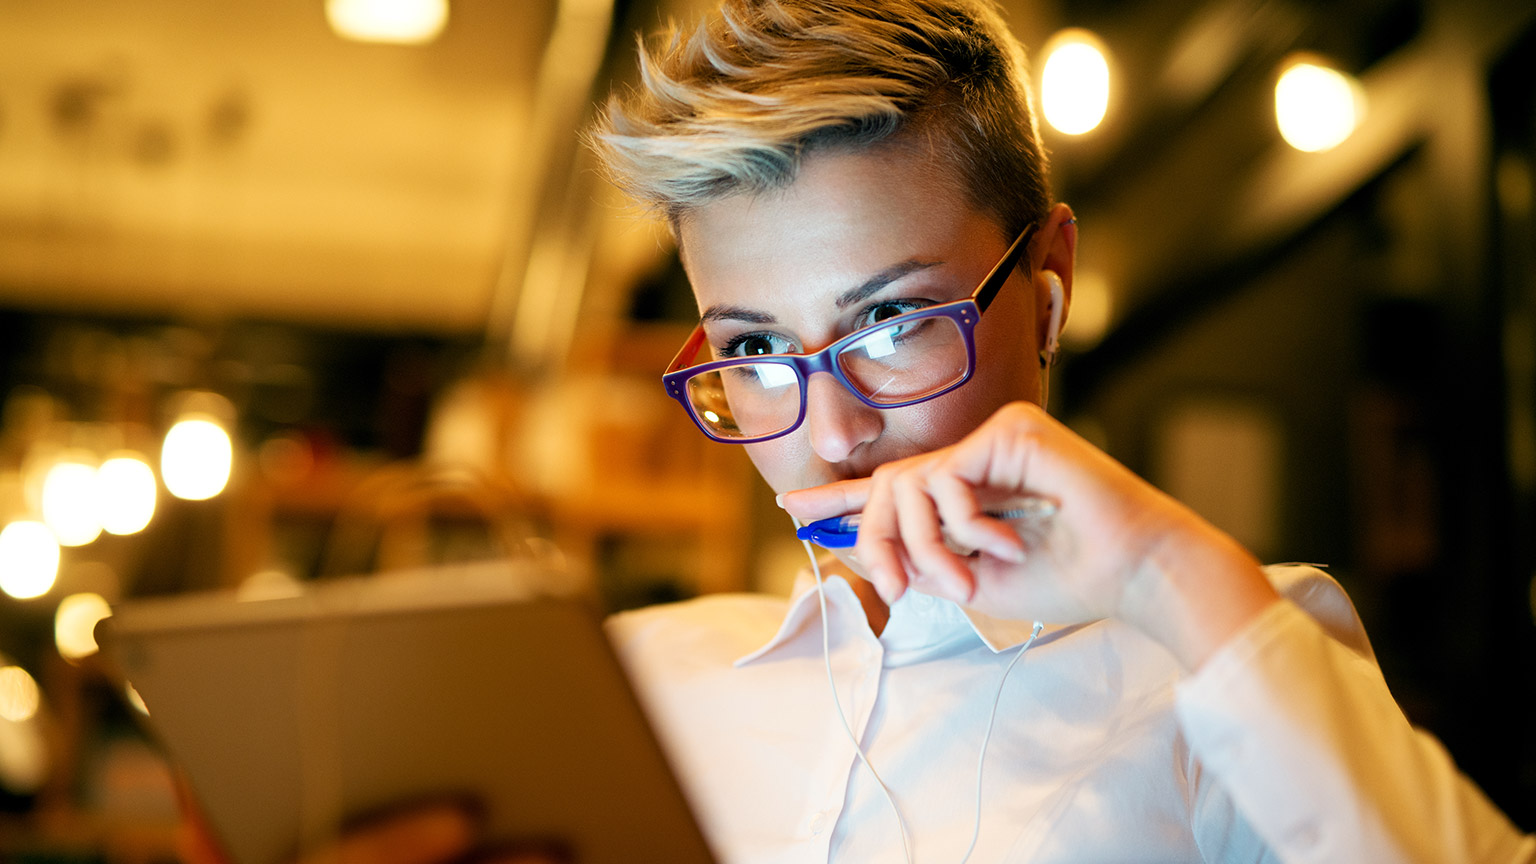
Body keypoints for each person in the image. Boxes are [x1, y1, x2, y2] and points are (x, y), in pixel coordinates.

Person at [583, 0, 1535, 862]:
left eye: (889, 323)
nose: (832, 434)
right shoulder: (621, 686)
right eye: (754, 348)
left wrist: (1169, 573)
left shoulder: (1228, 653)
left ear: (1048, 288)